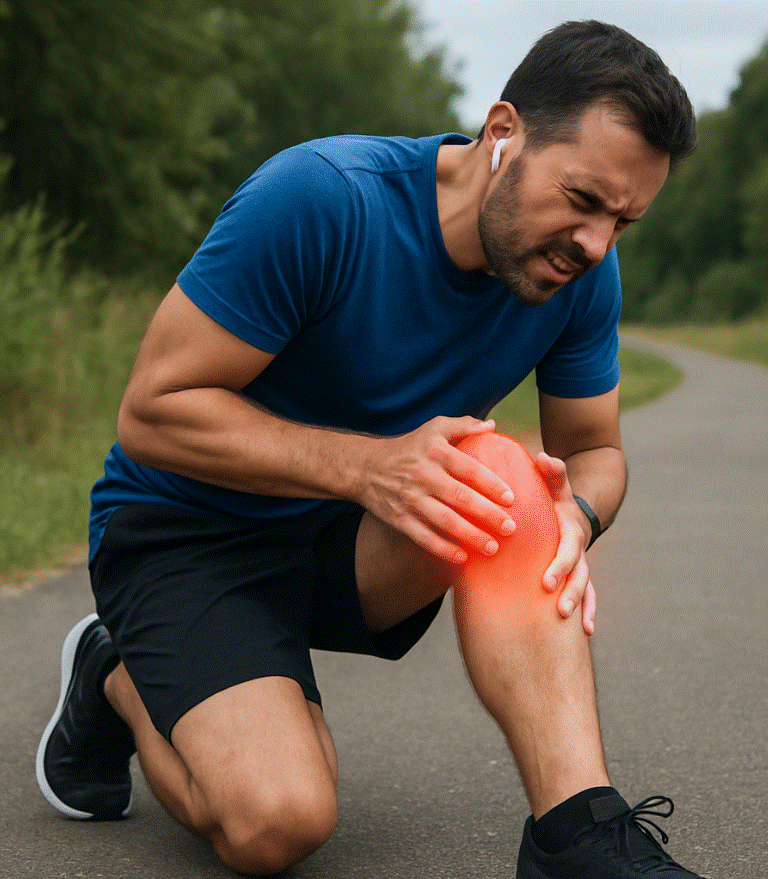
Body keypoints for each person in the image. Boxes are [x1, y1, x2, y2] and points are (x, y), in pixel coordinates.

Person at [36, 20, 703, 878]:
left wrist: (570, 517)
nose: (595, 243)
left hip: (357, 542)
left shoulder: (578, 277)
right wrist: (367, 466)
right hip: (187, 533)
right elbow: (154, 411)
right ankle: (118, 675)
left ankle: (574, 832)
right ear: (503, 133)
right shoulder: (322, 198)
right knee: (280, 823)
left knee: (509, 476)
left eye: (623, 220)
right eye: (581, 199)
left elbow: (594, 451)